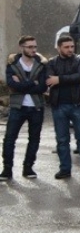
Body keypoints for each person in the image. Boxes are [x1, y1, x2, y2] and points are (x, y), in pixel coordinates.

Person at [47, 34, 80, 180]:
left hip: (78, 105)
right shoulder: (52, 62)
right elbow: (50, 79)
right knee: (62, 140)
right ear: (58, 48)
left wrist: (60, 79)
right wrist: (66, 79)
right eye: (66, 47)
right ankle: (65, 170)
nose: (70, 49)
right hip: (59, 105)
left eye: (72, 46)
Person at [1, 35, 47, 180]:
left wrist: (23, 84)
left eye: (35, 47)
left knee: (34, 139)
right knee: (9, 139)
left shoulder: (41, 64)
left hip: (36, 106)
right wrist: (32, 83)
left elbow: (42, 87)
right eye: (30, 47)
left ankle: (28, 168)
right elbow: (12, 85)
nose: (33, 49)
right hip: (17, 106)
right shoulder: (12, 64)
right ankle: (7, 170)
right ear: (22, 47)